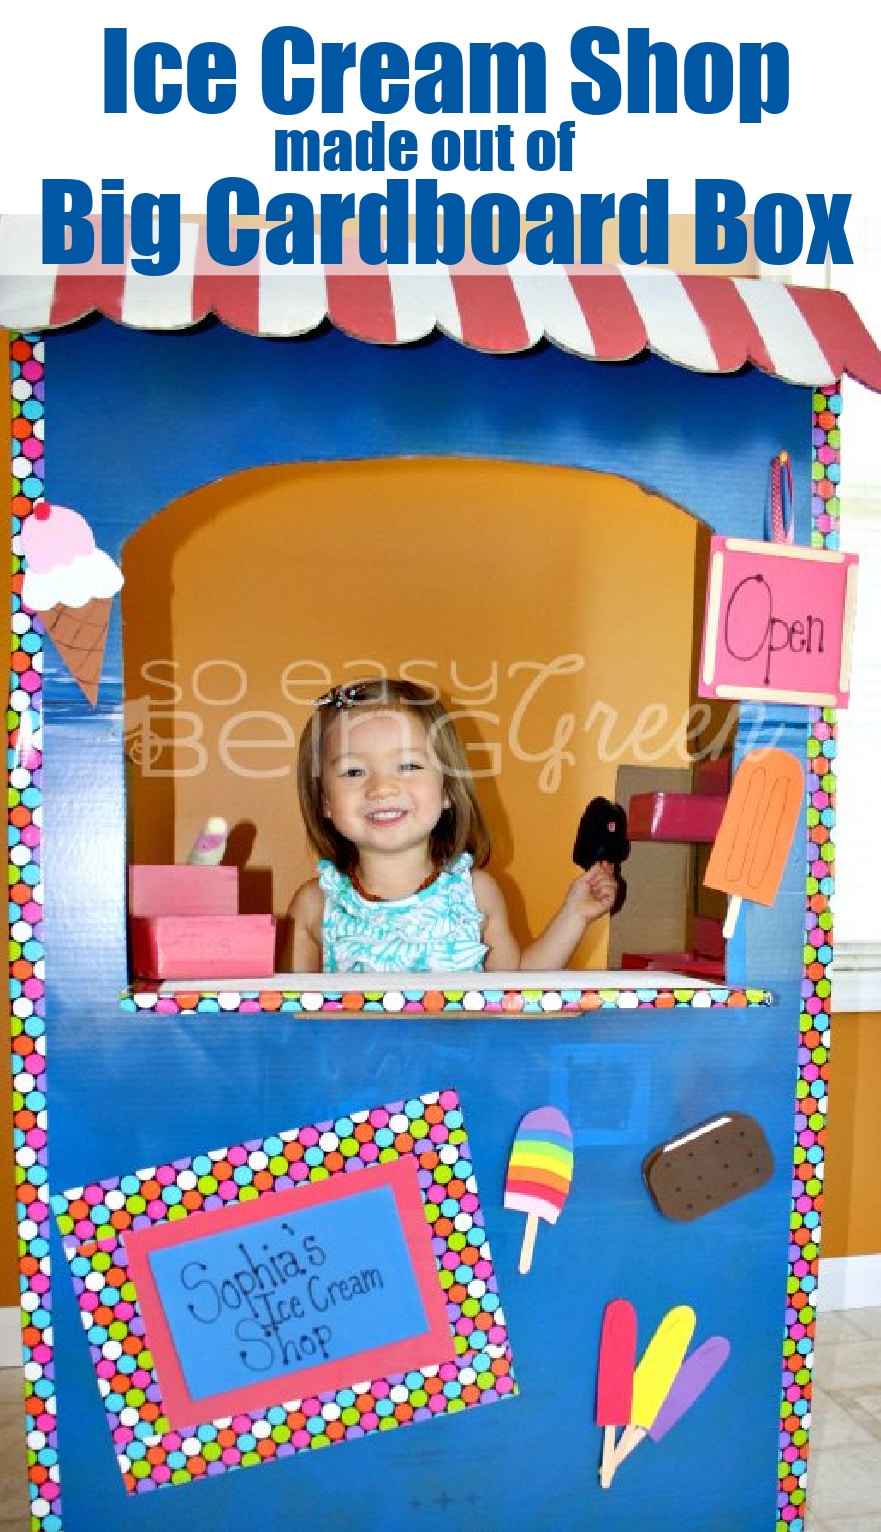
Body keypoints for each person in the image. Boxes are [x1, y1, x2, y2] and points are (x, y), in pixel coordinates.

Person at [290, 677, 617, 973]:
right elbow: (285, 1021)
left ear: (447, 789)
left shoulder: (477, 894)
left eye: (408, 765)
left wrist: (574, 915)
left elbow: (516, 993)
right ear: (325, 802)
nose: (382, 788)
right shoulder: (313, 906)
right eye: (353, 771)